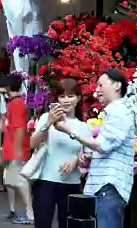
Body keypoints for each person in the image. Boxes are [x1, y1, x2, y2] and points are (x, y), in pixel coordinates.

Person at [53, 69, 135, 228]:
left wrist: (68, 130)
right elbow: (108, 147)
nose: (97, 90)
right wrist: (92, 158)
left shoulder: (119, 111)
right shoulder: (115, 112)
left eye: (101, 85)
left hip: (109, 186)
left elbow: (102, 146)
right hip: (105, 186)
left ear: (117, 86)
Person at [29, 78, 92, 228]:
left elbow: (88, 157)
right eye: (62, 96)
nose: (66, 100)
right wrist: (48, 123)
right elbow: (32, 144)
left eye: (70, 96)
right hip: (45, 181)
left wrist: (76, 160)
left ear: (78, 98)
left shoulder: (83, 127)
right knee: (42, 223)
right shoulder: (46, 118)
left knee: (69, 224)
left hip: (72, 184)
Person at [2, 74, 33, 224]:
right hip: (12, 148)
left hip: (16, 150)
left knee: (19, 181)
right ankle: (18, 211)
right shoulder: (16, 102)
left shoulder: (16, 103)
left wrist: (18, 149)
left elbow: (19, 128)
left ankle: (29, 212)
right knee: (11, 180)